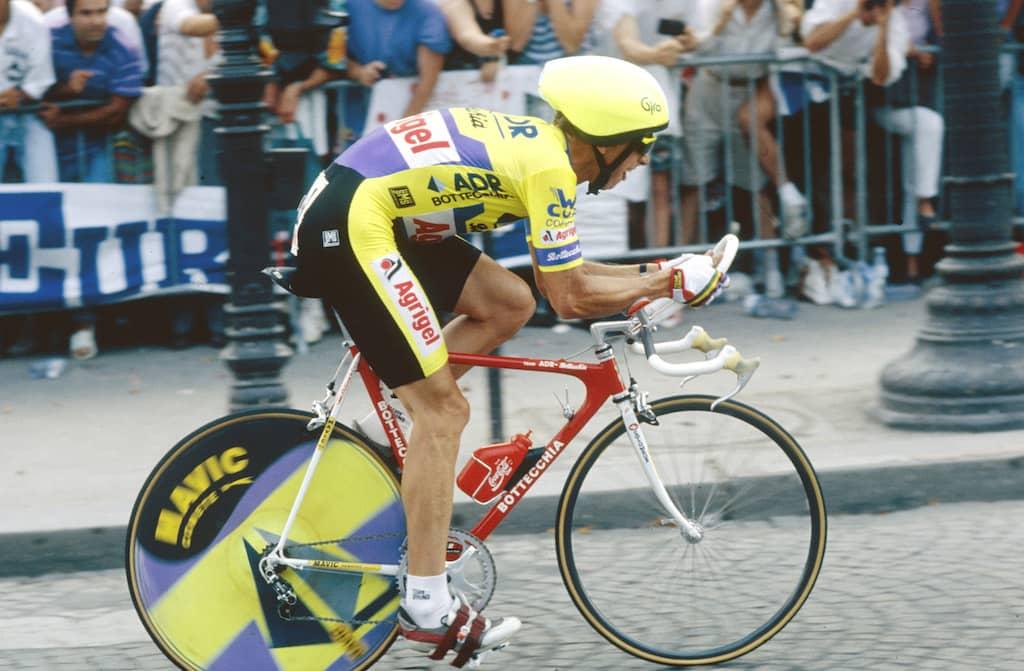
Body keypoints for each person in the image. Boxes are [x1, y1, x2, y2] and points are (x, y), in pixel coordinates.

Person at [287, 55, 728, 662]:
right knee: (444, 413)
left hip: (385, 218)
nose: (644, 161)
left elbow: (558, 280)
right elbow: (570, 296)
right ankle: (425, 604)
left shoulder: (548, 155)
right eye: (641, 147)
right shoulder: (549, 168)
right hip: (356, 224)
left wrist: (659, 275)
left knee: (507, 302)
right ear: (606, 145)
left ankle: (382, 435)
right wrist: (668, 283)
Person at [682, 0, 804, 297]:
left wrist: (789, 27)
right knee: (694, 184)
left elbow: (786, 54)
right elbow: (695, 49)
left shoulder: (777, 11)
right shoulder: (712, 5)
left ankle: (770, 267)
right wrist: (721, 22)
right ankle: (681, 273)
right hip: (708, 90)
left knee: (755, 184)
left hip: (747, 92)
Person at [597, 0, 697, 249]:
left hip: (659, 108)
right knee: (617, 190)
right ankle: (626, 268)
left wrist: (688, 42)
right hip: (616, 109)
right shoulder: (617, 5)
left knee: (660, 187)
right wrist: (656, 55)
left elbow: (692, 39)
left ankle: (658, 268)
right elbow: (628, 45)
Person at [41, 0, 144, 182]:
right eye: (86, 13)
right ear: (70, 15)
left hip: (100, 148)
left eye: (101, 12)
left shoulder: (126, 48)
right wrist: (67, 90)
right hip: (48, 146)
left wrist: (63, 121)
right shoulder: (48, 40)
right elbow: (35, 89)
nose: (96, 21)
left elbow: (117, 111)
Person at [343, 0, 452, 136]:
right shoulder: (347, 5)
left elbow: (428, 80)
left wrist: (403, 129)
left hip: (413, 107)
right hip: (356, 108)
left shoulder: (428, 12)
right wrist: (358, 72)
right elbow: (329, 56)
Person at [0, 0, 59, 183]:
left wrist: (19, 96)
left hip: (28, 113)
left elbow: (41, 80)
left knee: (45, 181)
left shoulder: (33, 20)